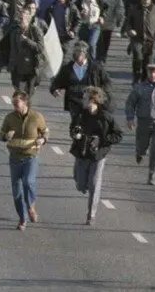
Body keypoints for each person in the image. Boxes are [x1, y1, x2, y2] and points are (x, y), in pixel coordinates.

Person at [69, 86, 122, 225]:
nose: (83, 100)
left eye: (85, 98)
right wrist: (75, 133)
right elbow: (72, 129)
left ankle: (91, 215)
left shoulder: (106, 117)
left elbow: (118, 135)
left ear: (93, 100)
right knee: (81, 184)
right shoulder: (80, 115)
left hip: (98, 155)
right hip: (82, 153)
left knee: (94, 184)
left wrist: (102, 140)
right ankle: (82, 184)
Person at [0, 89, 48, 230]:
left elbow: (45, 132)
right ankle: (22, 218)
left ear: (25, 102)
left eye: (17, 102)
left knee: (28, 182)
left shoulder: (36, 117)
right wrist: (6, 136)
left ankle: (31, 206)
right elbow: (1, 134)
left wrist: (42, 140)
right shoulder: (10, 118)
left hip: (30, 156)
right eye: (13, 102)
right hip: (14, 158)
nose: (14, 105)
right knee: (17, 191)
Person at [49, 41, 112, 129]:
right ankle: (76, 135)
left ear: (85, 53)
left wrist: (100, 93)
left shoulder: (95, 68)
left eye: (80, 52)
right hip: (73, 101)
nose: (78, 55)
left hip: (90, 101)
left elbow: (107, 82)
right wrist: (54, 89)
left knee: (90, 125)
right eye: (76, 52)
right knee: (76, 125)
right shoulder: (68, 68)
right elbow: (56, 82)